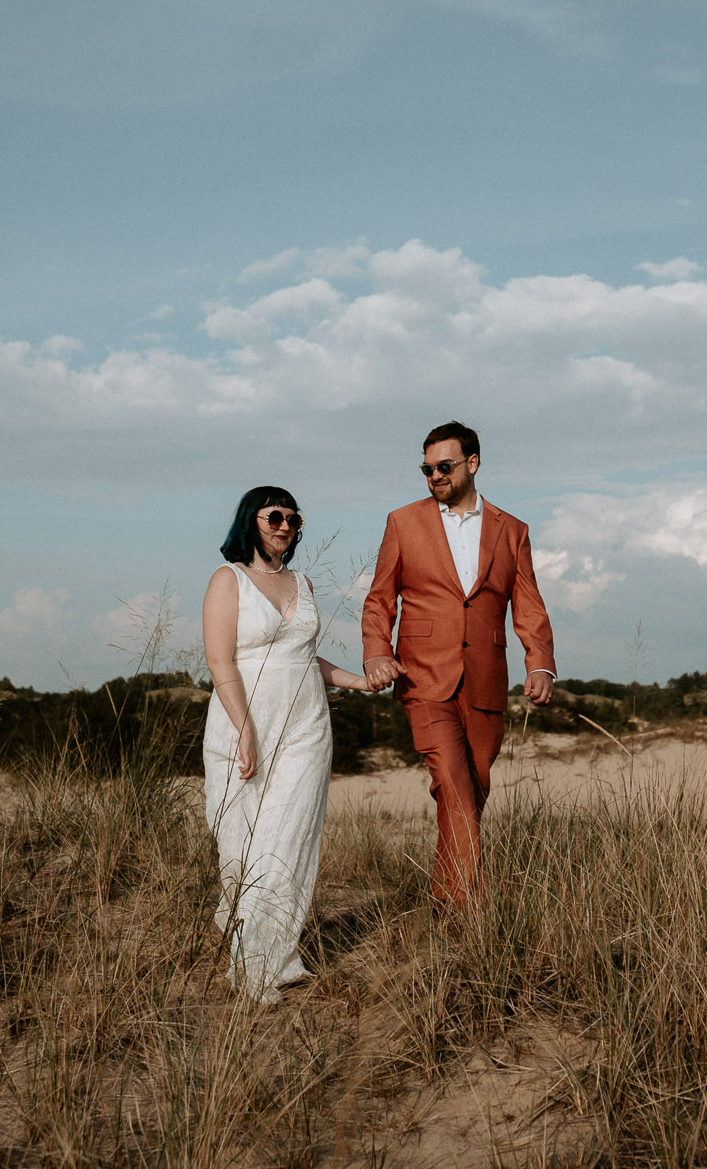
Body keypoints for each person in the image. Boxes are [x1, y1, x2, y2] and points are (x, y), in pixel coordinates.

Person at [361, 422, 556, 906]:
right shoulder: (404, 522)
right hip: (423, 677)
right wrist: (377, 652)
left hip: (487, 681)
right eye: (427, 469)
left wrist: (540, 664)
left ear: (472, 463)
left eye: (444, 466)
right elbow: (379, 598)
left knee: (470, 794)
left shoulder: (512, 531)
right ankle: (473, 920)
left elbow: (528, 604)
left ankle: (447, 907)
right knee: (453, 784)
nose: (434, 476)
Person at [202, 485, 371, 1000]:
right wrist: (245, 729)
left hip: (306, 725)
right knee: (240, 840)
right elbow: (220, 660)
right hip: (245, 718)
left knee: (289, 837)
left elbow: (304, 659)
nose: (284, 526)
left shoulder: (304, 582)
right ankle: (241, 930)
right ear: (250, 521)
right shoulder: (228, 579)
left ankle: (267, 961)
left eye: (294, 520)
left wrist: (360, 682)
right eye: (274, 516)